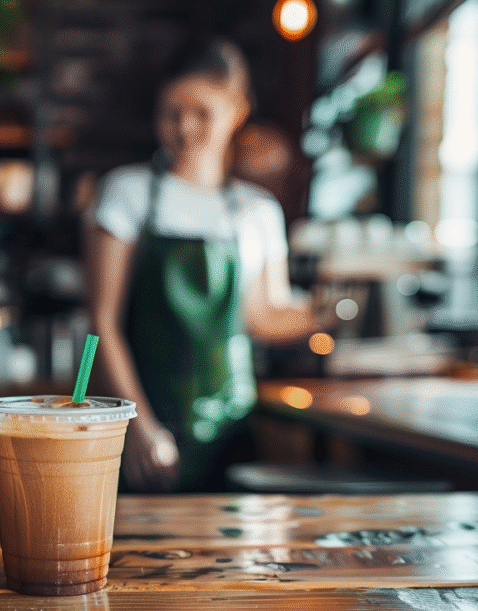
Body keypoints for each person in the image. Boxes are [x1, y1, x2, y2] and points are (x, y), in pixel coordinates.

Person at [84, 36, 328, 493]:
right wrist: (138, 424)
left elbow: (260, 316)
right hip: (146, 420)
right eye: (170, 113)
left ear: (237, 111)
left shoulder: (257, 211)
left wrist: (329, 315)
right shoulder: (125, 193)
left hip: (232, 429)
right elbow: (102, 322)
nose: (184, 127)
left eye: (202, 112)